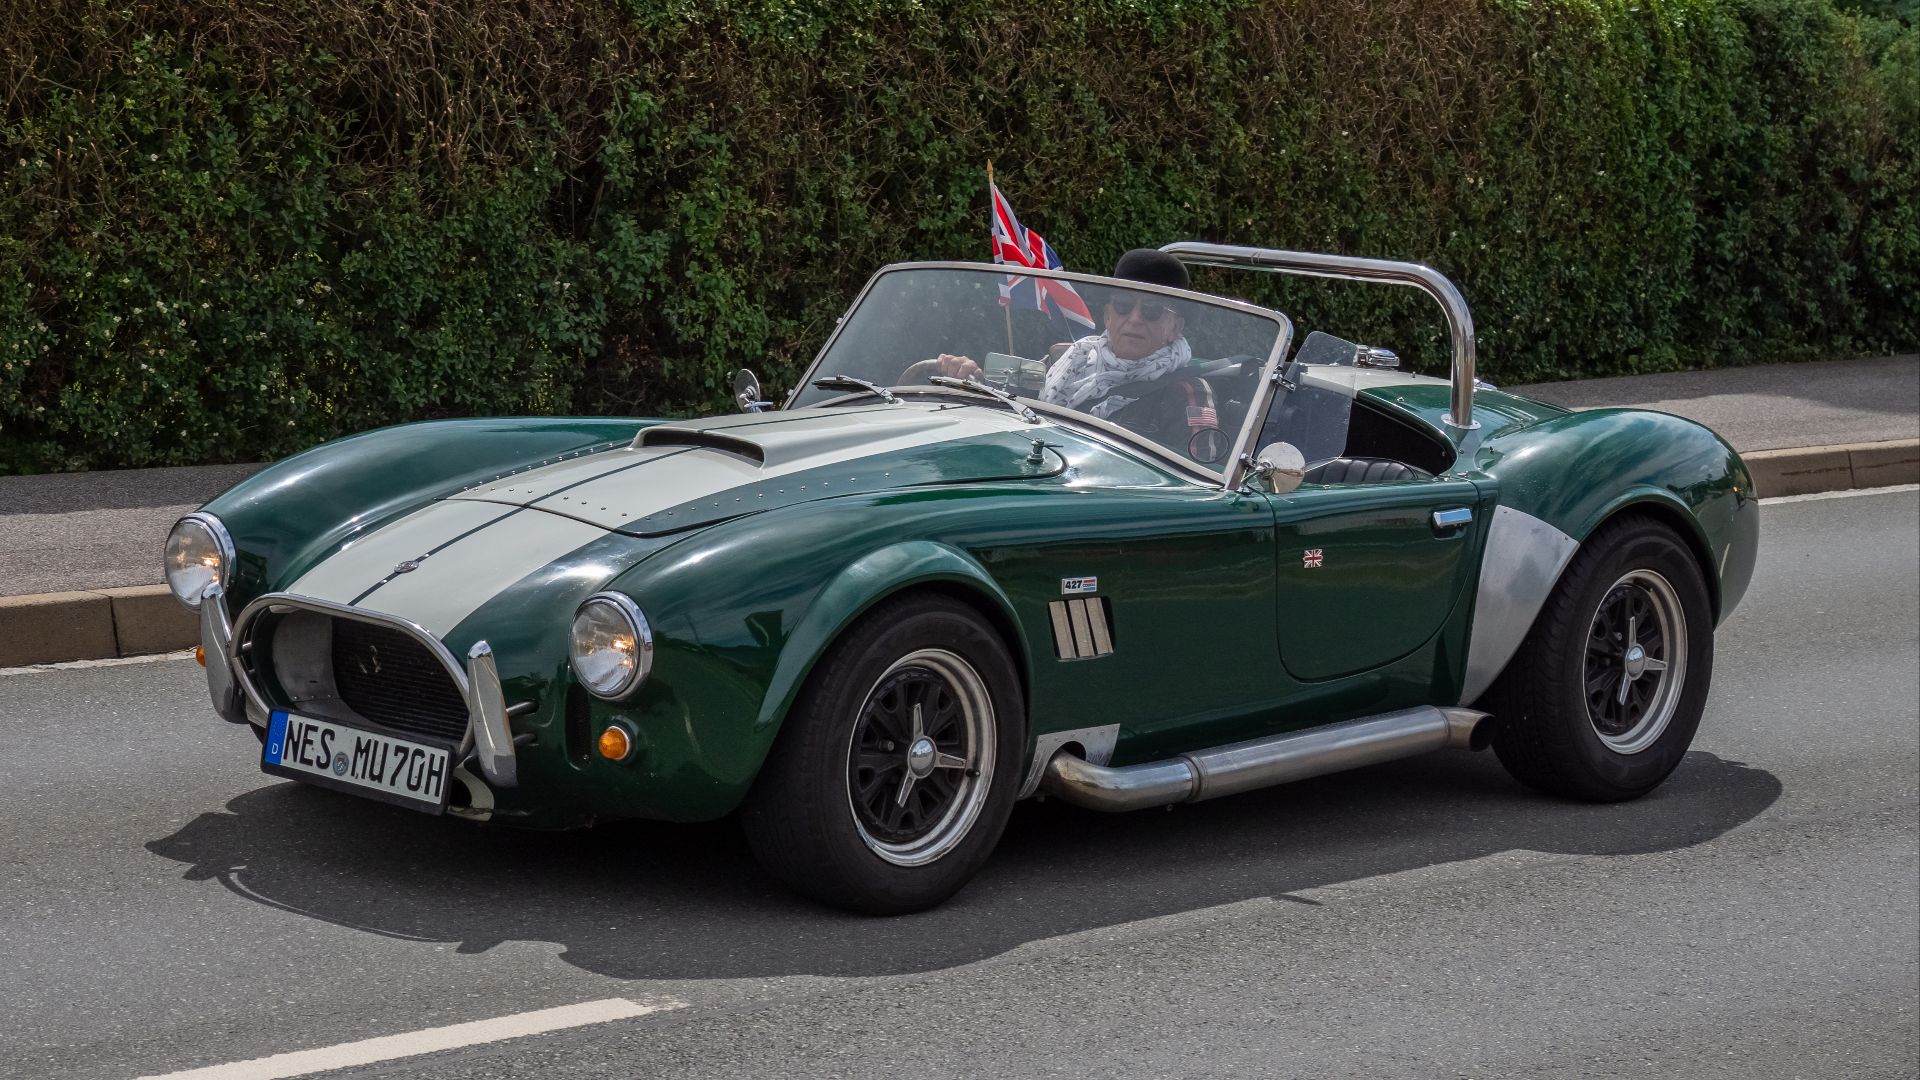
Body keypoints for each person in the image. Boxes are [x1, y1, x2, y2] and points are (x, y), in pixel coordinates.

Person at [907, 249, 1194, 419]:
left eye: (1152, 310)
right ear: (1107, 315)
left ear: (1175, 327)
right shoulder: (1068, 359)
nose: (1134, 319)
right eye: (1123, 305)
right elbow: (1014, 408)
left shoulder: (1185, 394)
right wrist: (971, 381)